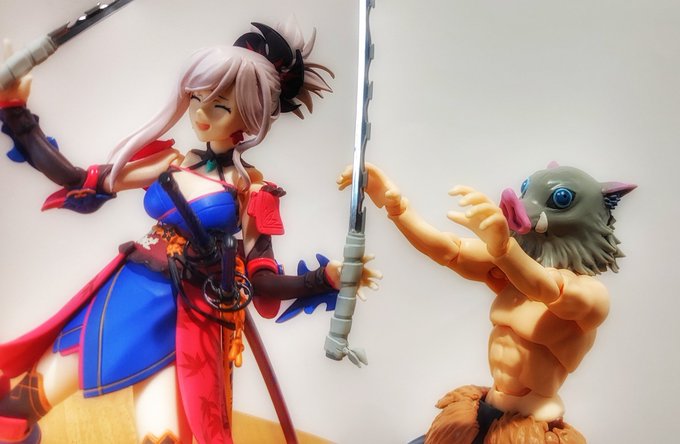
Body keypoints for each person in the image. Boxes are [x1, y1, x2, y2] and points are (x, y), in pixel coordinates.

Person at [0, 21, 378, 444]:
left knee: (161, 436)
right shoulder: (171, 162)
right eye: (197, 97)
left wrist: (324, 278)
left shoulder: (251, 190)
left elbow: (261, 279)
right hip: (125, 294)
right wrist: (15, 111)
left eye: (219, 106)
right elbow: (77, 179)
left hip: (186, 318)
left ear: (250, 116)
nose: (200, 113)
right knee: (17, 409)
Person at [339, 163, 634, 444]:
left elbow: (546, 289)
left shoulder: (591, 295)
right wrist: (397, 208)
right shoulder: (511, 270)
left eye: (561, 199)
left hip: (531, 426)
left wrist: (504, 249)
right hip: (486, 406)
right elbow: (448, 250)